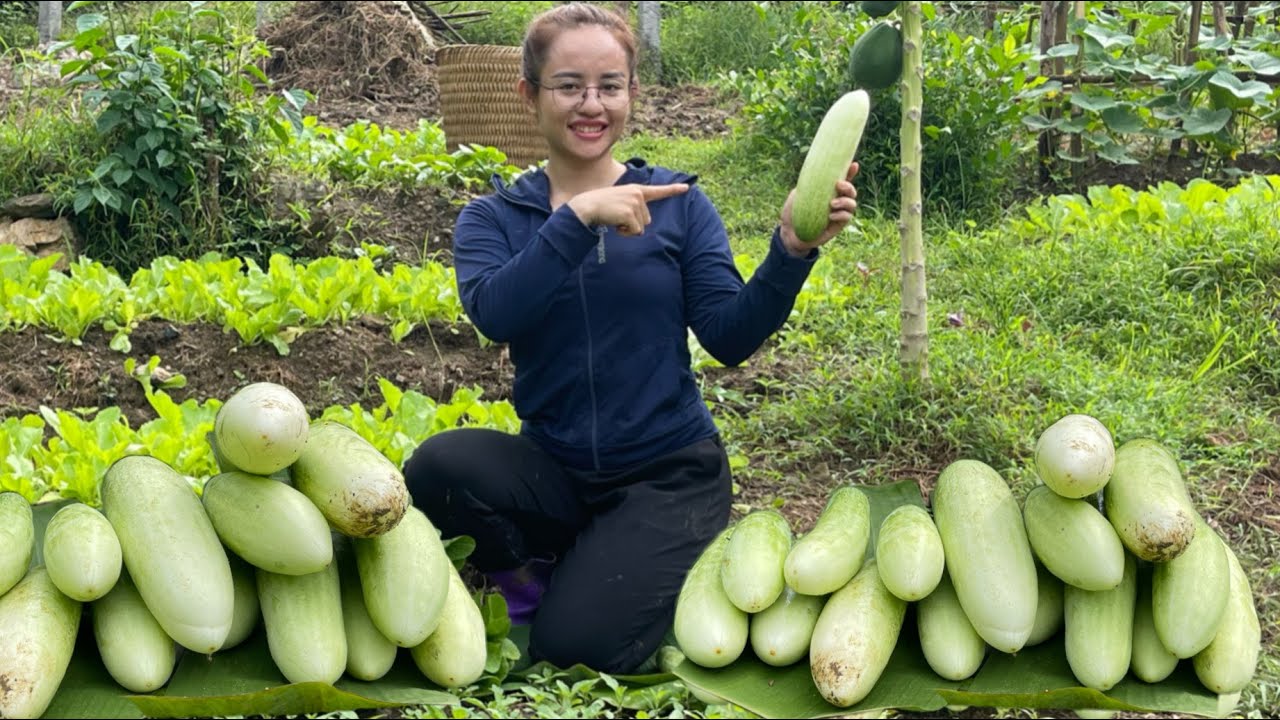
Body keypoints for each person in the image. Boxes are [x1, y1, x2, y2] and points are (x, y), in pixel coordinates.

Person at [402, 2, 859, 675]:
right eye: (569, 85)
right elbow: (497, 313)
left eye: (610, 85)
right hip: (556, 470)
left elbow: (729, 337)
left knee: (573, 650)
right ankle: (536, 577)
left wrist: (791, 250)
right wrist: (578, 218)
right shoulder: (491, 219)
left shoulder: (678, 205)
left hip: (667, 475)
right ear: (529, 94)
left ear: (631, 94)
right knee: (438, 469)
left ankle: (637, 566)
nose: (592, 104)